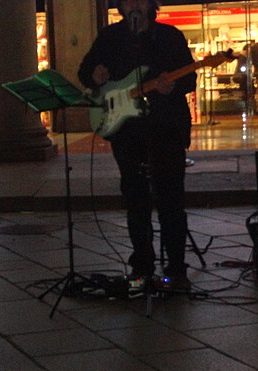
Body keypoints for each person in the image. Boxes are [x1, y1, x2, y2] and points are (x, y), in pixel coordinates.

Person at [78, 0, 196, 289]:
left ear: (150, 5)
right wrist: (95, 75)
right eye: (127, 0)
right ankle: (142, 265)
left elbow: (189, 77)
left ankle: (176, 269)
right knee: (135, 200)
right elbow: (85, 71)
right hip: (127, 131)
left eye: (139, 0)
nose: (134, 5)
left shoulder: (169, 37)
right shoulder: (110, 37)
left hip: (166, 128)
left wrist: (174, 86)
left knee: (171, 200)